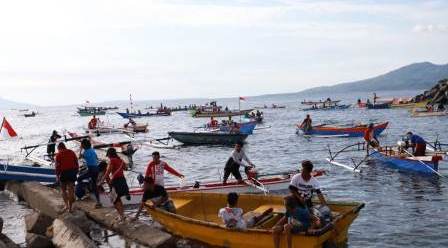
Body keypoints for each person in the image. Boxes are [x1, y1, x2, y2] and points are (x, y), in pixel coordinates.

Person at [102, 148, 130, 222]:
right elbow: (126, 168)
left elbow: (108, 172)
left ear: (110, 155)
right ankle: (122, 215)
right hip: (122, 181)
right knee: (118, 199)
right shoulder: (120, 160)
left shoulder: (112, 160)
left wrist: (101, 181)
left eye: (108, 155)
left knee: (115, 200)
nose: (108, 157)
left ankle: (121, 216)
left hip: (116, 182)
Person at [55, 142, 79, 213]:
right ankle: (70, 208)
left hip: (64, 173)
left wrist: (57, 176)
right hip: (72, 172)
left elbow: (57, 167)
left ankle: (66, 205)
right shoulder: (72, 152)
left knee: (63, 190)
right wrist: (76, 171)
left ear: (59, 148)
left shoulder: (58, 155)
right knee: (71, 190)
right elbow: (76, 162)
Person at [79, 139, 101, 207]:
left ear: (84, 145)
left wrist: (80, 149)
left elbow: (79, 157)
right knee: (94, 184)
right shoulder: (92, 150)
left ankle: (86, 192)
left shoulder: (85, 152)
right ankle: (98, 201)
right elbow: (96, 158)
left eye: (82, 144)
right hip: (96, 169)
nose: (81, 145)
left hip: (91, 169)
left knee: (79, 178)